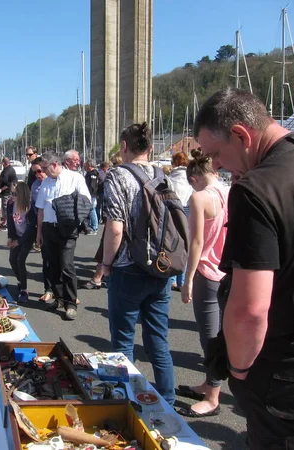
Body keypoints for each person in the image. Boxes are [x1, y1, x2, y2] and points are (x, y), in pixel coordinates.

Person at [195, 87, 294, 448]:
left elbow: (250, 310)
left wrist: (237, 370)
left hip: (288, 368)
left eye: (217, 154)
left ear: (241, 135)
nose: (216, 166)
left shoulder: (258, 188)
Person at [102, 122, 176, 405]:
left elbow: (115, 228)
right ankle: (167, 401)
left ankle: (126, 400)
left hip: (128, 266)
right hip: (160, 266)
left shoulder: (117, 176)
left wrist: (106, 264)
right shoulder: (162, 175)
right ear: (151, 148)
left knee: (122, 342)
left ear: (123, 147)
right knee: (158, 339)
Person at [176, 149, 228, 418]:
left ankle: (213, 396)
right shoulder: (230, 191)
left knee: (209, 336)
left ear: (194, 177)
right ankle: (209, 384)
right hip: (227, 270)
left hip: (207, 271)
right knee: (220, 332)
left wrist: (188, 279)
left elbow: (196, 242)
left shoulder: (199, 197)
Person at [35, 151, 91, 320]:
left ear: (54, 164)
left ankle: (71, 302)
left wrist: (72, 214)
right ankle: (59, 299)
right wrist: (39, 232)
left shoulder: (75, 178)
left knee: (67, 266)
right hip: (49, 228)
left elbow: (86, 202)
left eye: (44, 168)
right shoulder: (46, 182)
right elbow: (40, 210)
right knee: (53, 266)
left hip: (67, 229)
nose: (42, 172)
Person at [169, 152, 194, 291]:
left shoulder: (171, 177)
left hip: (175, 209)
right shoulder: (190, 176)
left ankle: (171, 278)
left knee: (173, 244)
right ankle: (182, 280)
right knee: (186, 246)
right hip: (188, 210)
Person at [7, 182, 35, 304]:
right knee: (12, 259)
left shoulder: (29, 208)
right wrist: (10, 237)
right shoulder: (11, 204)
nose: (12, 196)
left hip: (26, 238)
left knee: (20, 261)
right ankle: (20, 281)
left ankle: (24, 290)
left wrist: (19, 242)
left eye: (14, 194)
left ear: (21, 194)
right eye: (11, 193)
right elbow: (10, 222)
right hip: (17, 235)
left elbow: (30, 230)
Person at [29, 157, 53, 302]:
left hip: (58, 226)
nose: (38, 174)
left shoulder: (55, 182)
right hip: (42, 225)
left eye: (39, 170)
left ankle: (67, 294)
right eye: (35, 173)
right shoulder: (35, 186)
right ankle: (48, 289)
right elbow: (35, 208)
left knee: (63, 262)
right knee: (46, 260)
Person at [0, 157, 17, 229]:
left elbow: (7, 184)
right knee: (6, 207)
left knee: (6, 207)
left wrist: (1, 189)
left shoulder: (6, 171)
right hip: (10, 191)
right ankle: (5, 220)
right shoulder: (11, 169)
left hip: (7, 192)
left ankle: (6, 222)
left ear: (4, 163)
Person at [83, 160, 100, 235]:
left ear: (89, 165)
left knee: (92, 210)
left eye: (86, 165)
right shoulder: (90, 173)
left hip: (91, 195)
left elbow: (93, 185)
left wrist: (92, 194)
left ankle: (94, 228)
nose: (85, 167)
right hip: (90, 194)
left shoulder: (93, 174)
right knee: (90, 210)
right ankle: (91, 226)